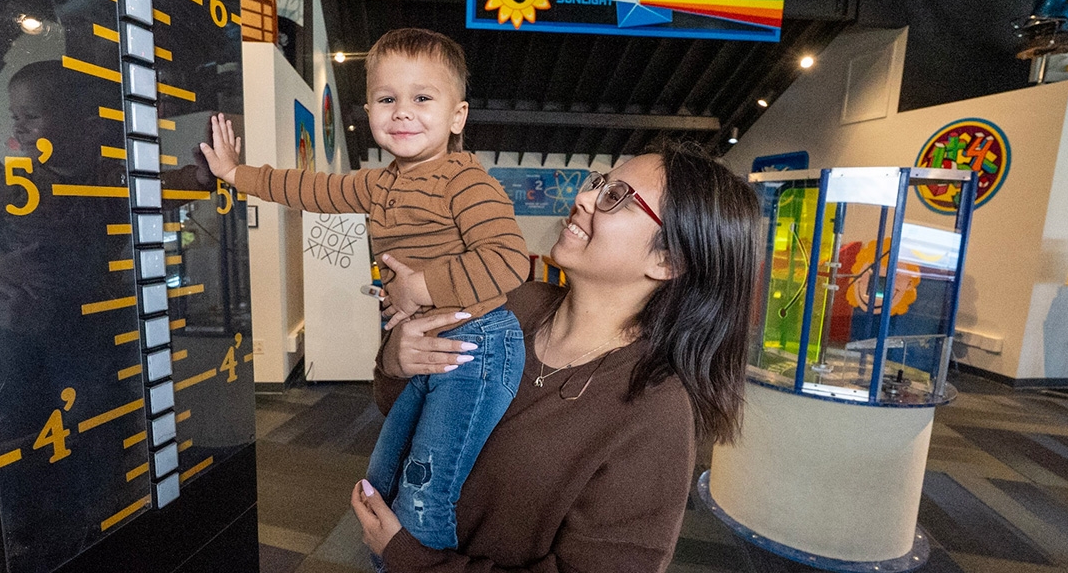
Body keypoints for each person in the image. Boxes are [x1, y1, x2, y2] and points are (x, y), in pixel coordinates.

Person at [351, 144, 760, 572]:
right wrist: (396, 363)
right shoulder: (514, 303)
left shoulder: (656, 411)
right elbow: (407, 409)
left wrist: (413, 561)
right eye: (600, 182)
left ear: (667, 260)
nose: (583, 198)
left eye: (617, 197)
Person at [199, 29, 531, 555]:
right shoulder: (378, 183)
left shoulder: (465, 181)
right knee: (383, 477)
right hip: (426, 343)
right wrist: (236, 173)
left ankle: (419, 565)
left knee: (427, 485)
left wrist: (415, 287)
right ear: (370, 108)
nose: (402, 112)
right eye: (386, 98)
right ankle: (392, 560)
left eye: (422, 98)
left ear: (457, 116)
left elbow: (510, 261)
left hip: (478, 344)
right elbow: (309, 188)